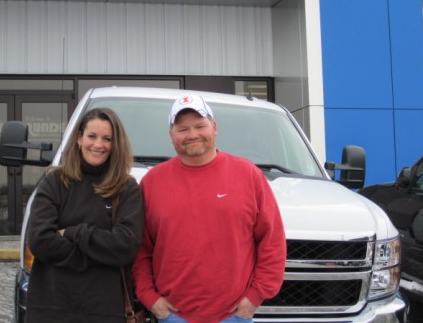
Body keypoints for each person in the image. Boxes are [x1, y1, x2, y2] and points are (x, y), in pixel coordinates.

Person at [132, 95, 286, 323]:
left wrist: (253, 299)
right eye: (182, 128)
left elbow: (272, 242)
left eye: (200, 126)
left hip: (233, 317)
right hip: (171, 318)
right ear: (171, 135)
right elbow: (140, 249)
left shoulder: (248, 175)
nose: (192, 134)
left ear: (214, 128)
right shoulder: (152, 182)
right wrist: (152, 301)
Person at [26, 107, 144, 323]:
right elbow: (40, 241)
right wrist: (99, 255)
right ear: (79, 138)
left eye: (107, 138)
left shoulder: (127, 189)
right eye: (92, 136)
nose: (98, 145)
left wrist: (73, 233)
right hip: (51, 309)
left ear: (115, 144)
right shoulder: (54, 182)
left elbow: (124, 246)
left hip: (103, 311)